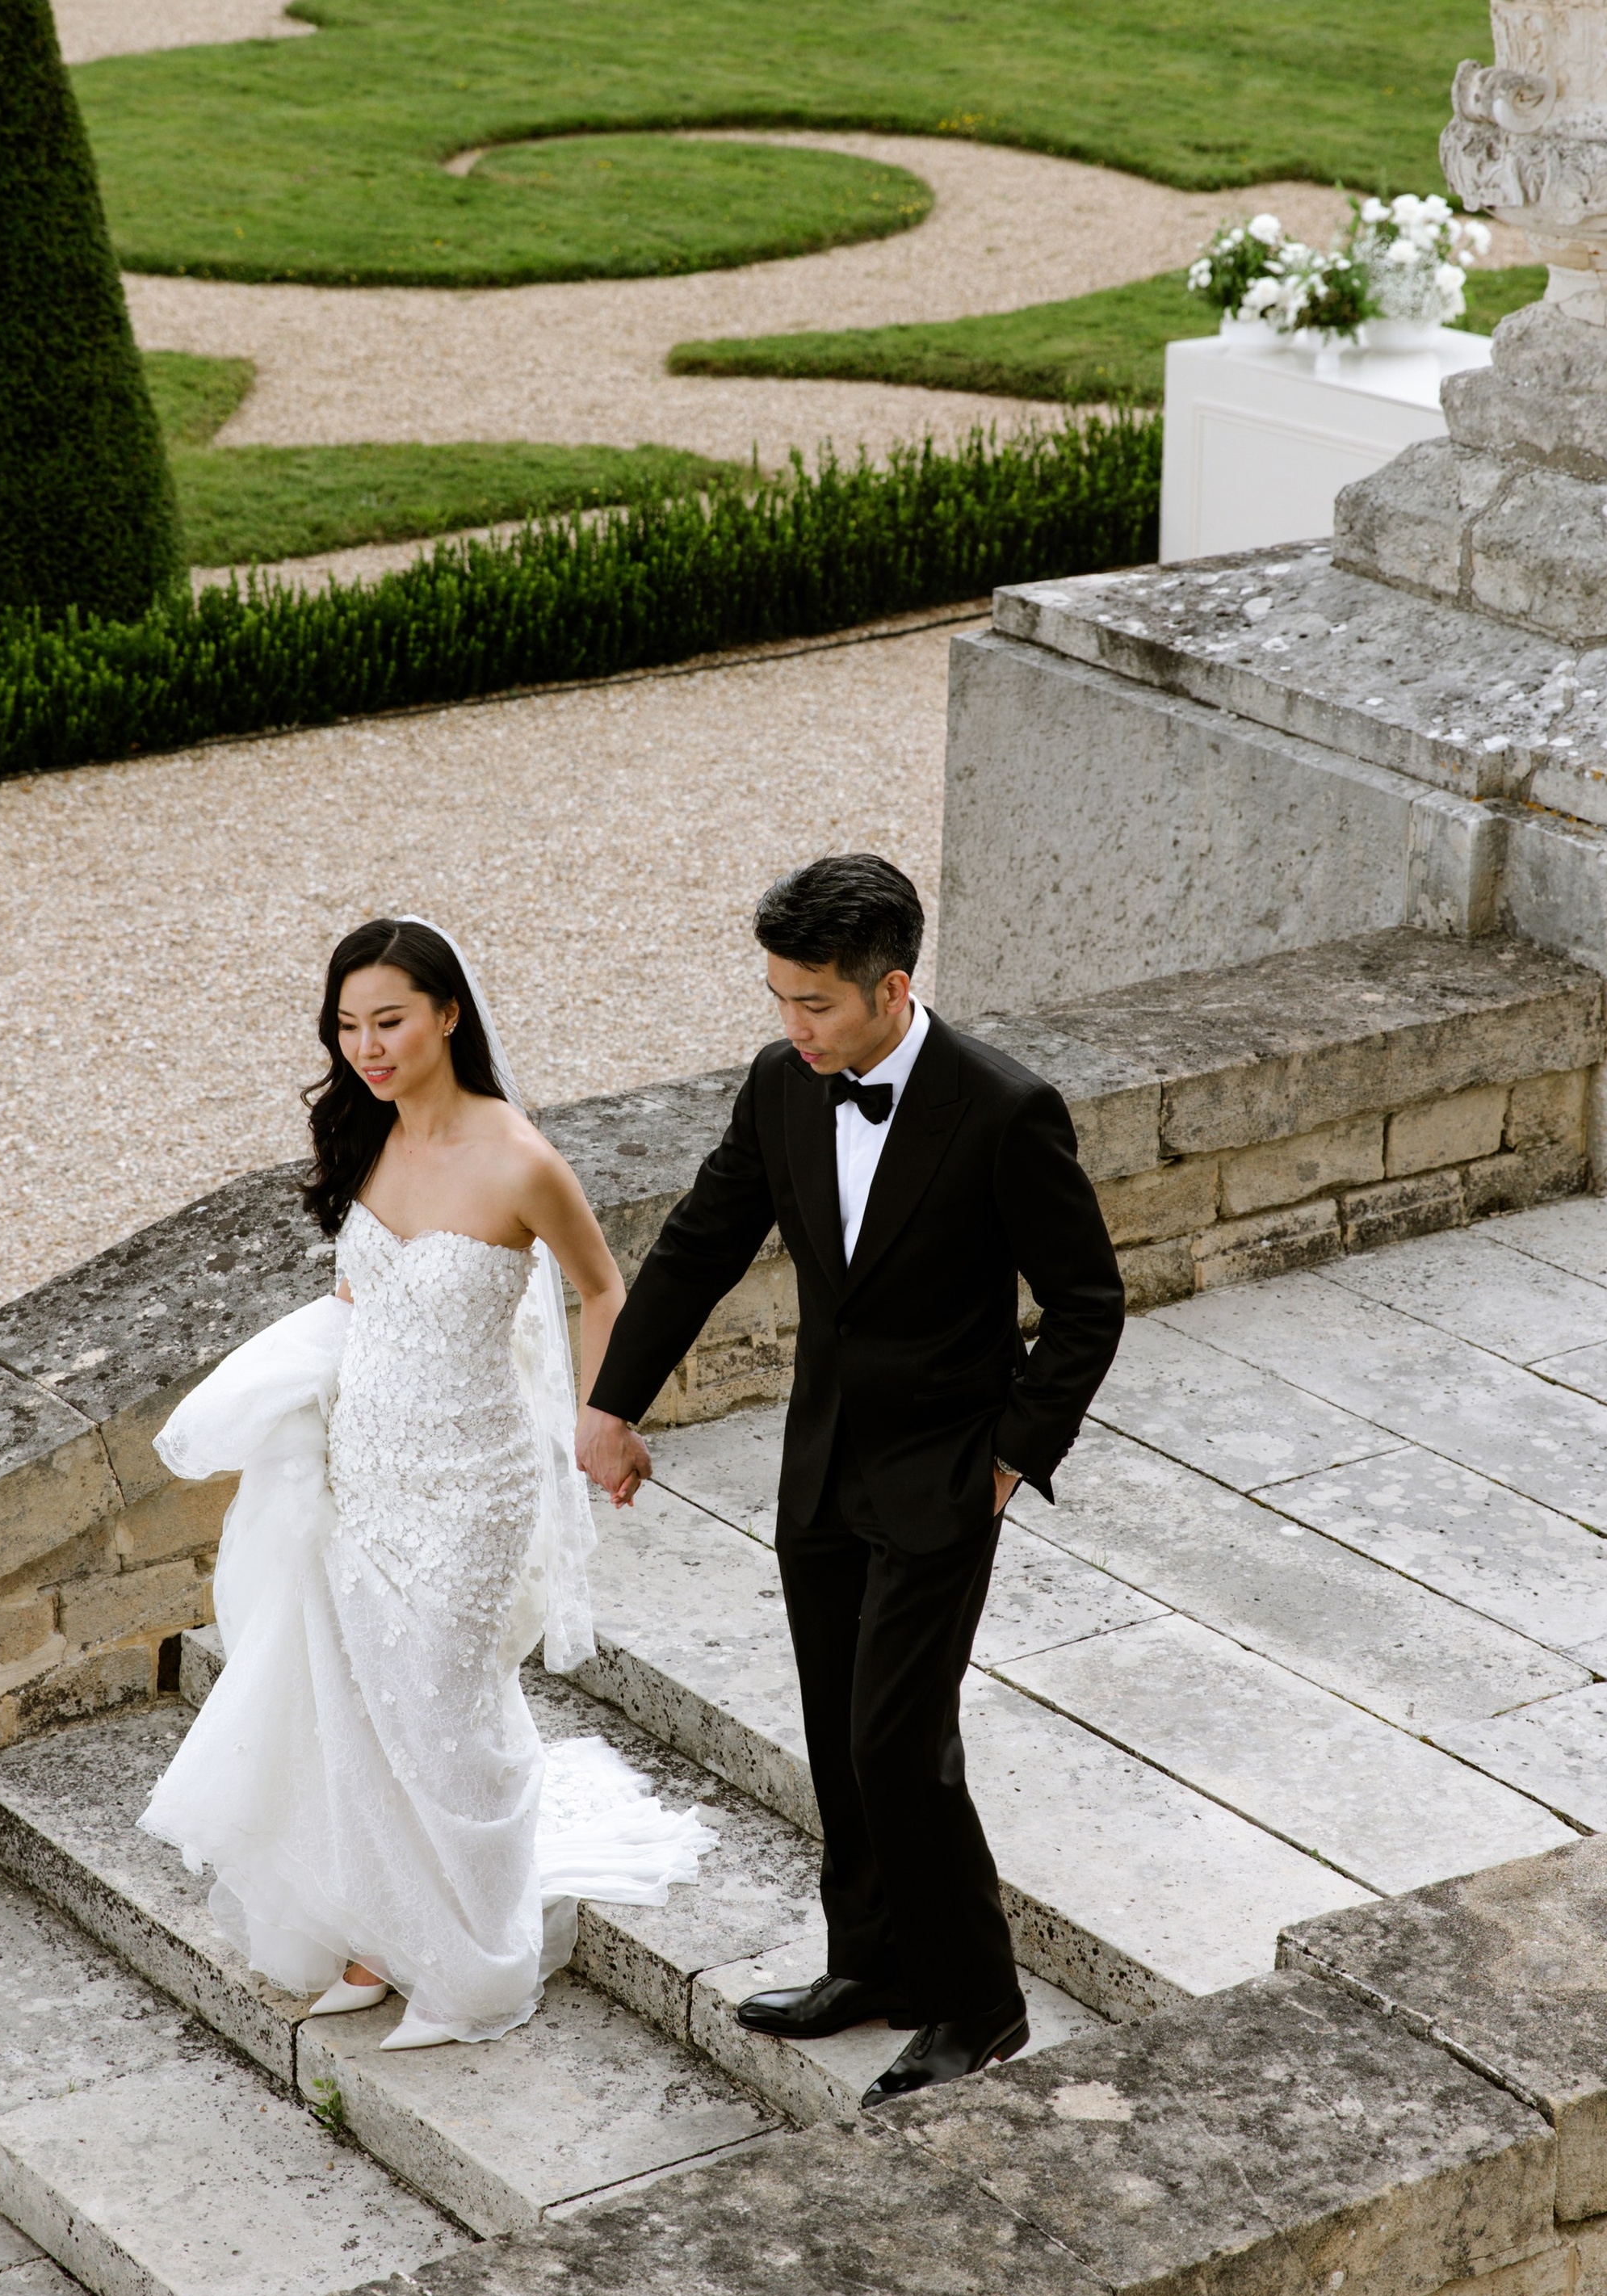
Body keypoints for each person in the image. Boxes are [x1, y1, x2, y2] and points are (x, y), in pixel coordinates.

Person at [577, 854, 1124, 2109]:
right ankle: (871, 1966)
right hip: (819, 1469)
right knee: (838, 1729)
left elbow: (1089, 1304)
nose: (790, 1027)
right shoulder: (782, 1087)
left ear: (891, 988)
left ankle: (979, 2006)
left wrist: (1008, 1457)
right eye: (778, 999)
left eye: (813, 1004)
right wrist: (610, 1405)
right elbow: (701, 1245)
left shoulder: (1002, 1107)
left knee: (898, 1743)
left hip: (946, 1479)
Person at [139, 917, 710, 2050]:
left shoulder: (520, 1161)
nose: (367, 1047)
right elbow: (367, 1299)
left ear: (450, 1014)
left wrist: (608, 1420)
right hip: (365, 1470)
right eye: (348, 1027)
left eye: (389, 1020)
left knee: (447, 1721)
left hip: (472, 1487)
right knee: (362, 1712)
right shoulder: (366, 1138)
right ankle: (374, 1933)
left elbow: (603, 1292)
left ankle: (473, 1965)